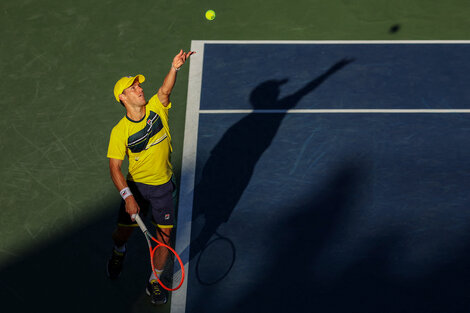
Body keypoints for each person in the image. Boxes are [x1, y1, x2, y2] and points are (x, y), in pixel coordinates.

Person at [106, 49, 195, 305]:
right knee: (122, 234)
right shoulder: (120, 131)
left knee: (165, 237)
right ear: (123, 98)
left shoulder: (157, 107)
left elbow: (165, 91)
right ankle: (118, 252)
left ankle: (154, 281)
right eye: (133, 88)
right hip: (137, 188)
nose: (139, 89)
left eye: (138, 85)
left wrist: (175, 67)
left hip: (163, 187)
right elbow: (114, 167)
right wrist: (128, 197)